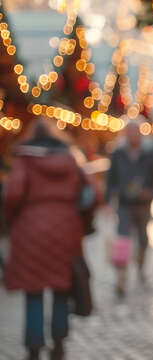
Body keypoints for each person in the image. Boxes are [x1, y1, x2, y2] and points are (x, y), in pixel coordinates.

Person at [2, 119, 95, 360]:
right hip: (67, 229)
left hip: (29, 228)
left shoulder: (24, 159)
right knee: (61, 287)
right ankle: (59, 341)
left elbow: (13, 194)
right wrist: (82, 222)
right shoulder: (71, 159)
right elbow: (91, 192)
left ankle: (33, 347)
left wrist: (11, 219)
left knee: (33, 289)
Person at [105, 120, 153, 296]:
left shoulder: (151, 153)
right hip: (124, 203)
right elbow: (111, 177)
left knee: (142, 238)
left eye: (135, 131)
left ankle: (140, 267)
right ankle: (121, 278)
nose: (132, 135)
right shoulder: (118, 153)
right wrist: (109, 200)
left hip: (143, 204)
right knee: (122, 240)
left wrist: (151, 192)